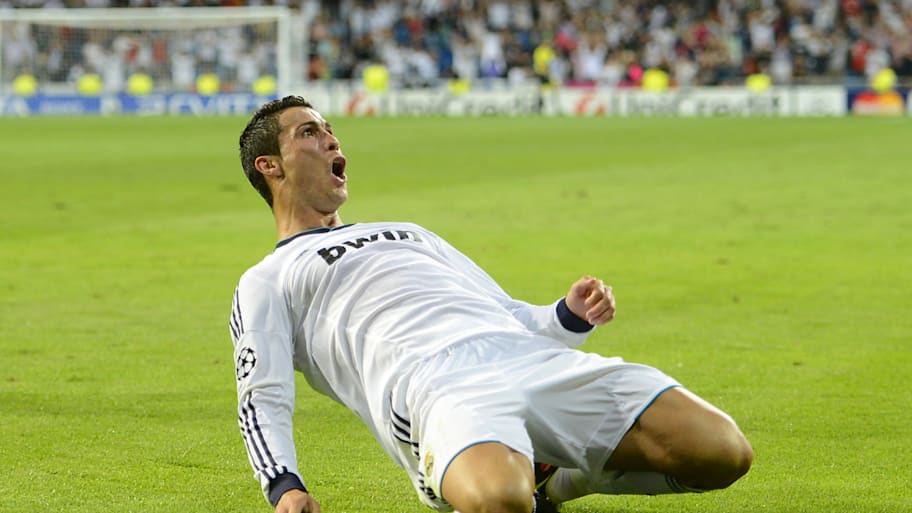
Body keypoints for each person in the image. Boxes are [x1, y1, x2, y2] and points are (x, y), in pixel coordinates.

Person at [230, 95, 753, 513]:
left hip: (529, 358)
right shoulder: (267, 278)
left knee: (722, 453)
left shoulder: (408, 232)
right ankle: (528, 481)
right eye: (309, 132)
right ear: (269, 165)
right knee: (501, 501)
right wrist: (284, 485)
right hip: (434, 388)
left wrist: (566, 315)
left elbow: (511, 313)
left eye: (328, 130)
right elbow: (261, 394)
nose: (330, 138)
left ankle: (559, 481)